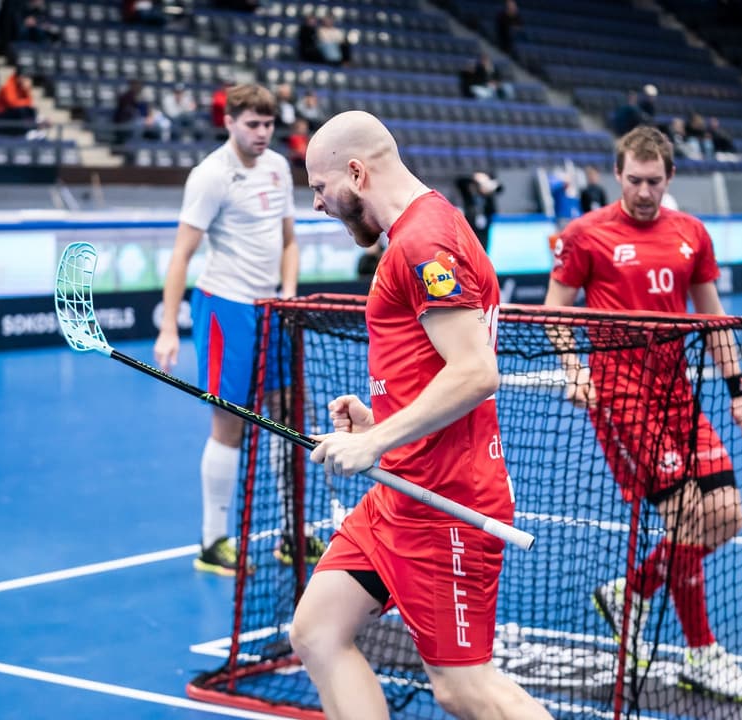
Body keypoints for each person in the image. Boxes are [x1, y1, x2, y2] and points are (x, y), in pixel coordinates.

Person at [291, 109, 552, 720]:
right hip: (398, 492)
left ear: (356, 172)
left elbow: (475, 370)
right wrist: (376, 416)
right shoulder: (426, 227)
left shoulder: (422, 241)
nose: (320, 205)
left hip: (445, 503)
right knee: (317, 632)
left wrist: (377, 438)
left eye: (321, 189)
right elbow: (435, 366)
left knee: (464, 689)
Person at [543, 125, 742, 703]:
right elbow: (555, 312)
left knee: (728, 514)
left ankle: (633, 591)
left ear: (670, 178)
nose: (644, 191)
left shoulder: (692, 232)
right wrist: (573, 370)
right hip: (622, 395)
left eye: (654, 181)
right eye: (635, 180)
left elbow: (713, 319)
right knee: (689, 515)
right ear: (618, 175)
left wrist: (738, 390)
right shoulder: (584, 235)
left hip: (678, 392)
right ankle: (702, 652)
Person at [154, 83, 306, 576]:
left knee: (286, 418)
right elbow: (181, 255)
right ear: (230, 122)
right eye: (253, 125)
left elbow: (288, 239)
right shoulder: (210, 177)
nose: (263, 134)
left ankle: (290, 532)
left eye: (269, 125)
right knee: (230, 423)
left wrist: (287, 288)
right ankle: (213, 541)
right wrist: (169, 329)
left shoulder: (280, 167)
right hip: (226, 308)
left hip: (272, 308)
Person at [455, 170, 502, 250]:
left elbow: (499, 189)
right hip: (468, 231)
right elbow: (459, 182)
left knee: (483, 252)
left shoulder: (487, 198)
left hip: (483, 233)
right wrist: (476, 178)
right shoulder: (468, 195)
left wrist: (487, 187)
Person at [0, 67, 41, 136]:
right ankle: (29, 130)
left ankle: (33, 129)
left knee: (31, 110)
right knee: (21, 110)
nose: (26, 79)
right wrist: (24, 102)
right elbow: (12, 103)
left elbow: (29, 102)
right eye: (24, 77)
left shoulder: (22, 87)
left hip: (14, 113)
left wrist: (26, 89)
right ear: (19, 77)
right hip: (1, 115)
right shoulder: (8, 86)